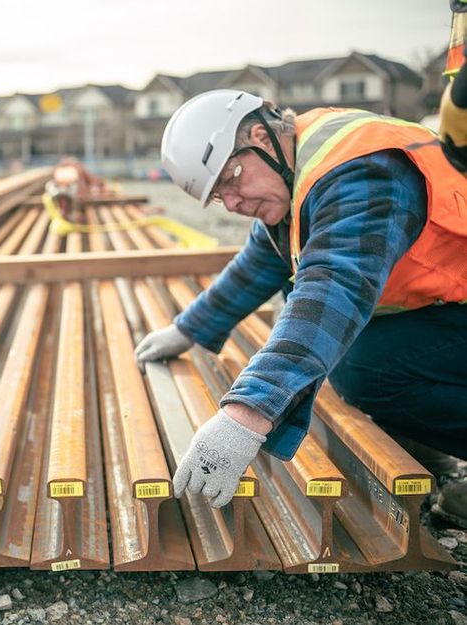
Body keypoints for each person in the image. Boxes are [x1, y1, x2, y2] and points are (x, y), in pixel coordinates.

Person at [134, 89, 467, 523]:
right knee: (345, 346)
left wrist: (247, 413)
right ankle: (431, 454)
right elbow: (259, 263)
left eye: (231, 177)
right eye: (219, 196)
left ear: (261, 136)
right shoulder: (297, 170)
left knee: (363, 365)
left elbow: (334, 287)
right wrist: (189, 329)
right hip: (451, 304)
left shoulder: (362, 171)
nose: (233, 203)